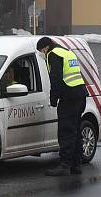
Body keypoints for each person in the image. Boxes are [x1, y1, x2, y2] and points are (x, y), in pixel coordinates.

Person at [37, 37, 89, 176]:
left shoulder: (53, 55)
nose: (42, 53)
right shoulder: (67, 52)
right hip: (80, 96)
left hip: (69, 98)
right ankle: (76, 165)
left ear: (46, 47)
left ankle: (64, 165)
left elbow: (56, 79)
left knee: (66, 132)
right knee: (75, 131)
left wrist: (53, 99)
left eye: (41, 50)